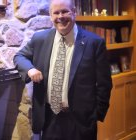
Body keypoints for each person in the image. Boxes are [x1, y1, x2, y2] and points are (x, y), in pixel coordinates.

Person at [13, 0, 112, 139]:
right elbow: (19, 56)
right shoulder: (40, 39)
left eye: (65, 11)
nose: (60, 16)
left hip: (81, 122)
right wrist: (30, 70)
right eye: (56, 12)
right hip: (48, 119)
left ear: (74, 12)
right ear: (50, 15)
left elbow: (104, 84)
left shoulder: (94, 43)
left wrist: (96, 115)